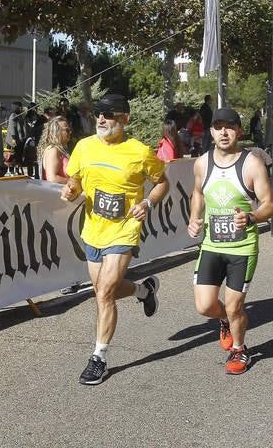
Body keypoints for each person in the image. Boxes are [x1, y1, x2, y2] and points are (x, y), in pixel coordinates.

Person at [60, 94, 170, 385]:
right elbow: (75, 180)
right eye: (99, 113)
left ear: (125, 119)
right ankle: (143, 291)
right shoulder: (84, 147)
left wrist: (147, 203)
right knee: (101, 290)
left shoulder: (139, 151)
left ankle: (99, 358)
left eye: (109, 114)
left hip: (125, 229)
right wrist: (71, 190)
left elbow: (162, 182)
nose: (101, 119)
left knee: (105, 293)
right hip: (94, 229)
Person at [187, 108, 273, 375]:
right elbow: (198, 193)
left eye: (229, 127)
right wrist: (194, 218)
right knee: (204, 306)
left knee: (236, 304)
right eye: (218, 127)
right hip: (212, 245)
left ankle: (239, 348)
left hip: (242, 247)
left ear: (238, 130)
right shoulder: (202, 163)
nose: (223, 133)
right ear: (211, 131)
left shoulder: (251, 164)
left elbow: (270, 205)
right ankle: (224, 319)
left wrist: (251, 216)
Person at [7, 101, 43, 178]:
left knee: (19, 156)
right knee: (13, 156)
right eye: (19, 107)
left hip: (20, 140)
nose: (21, 108)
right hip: (13, 140)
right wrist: (13, 138)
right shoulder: (13, 115)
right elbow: (12, 128)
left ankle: (17, 170)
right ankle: (12, 171)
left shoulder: (19, 115)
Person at [38, 116, 72, 183]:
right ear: (57, 132)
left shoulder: (60, 149)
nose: (70, 132)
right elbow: (52, 178)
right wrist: (73, 183)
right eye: (67, 130)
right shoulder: (53, 150)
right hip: (57, 192)